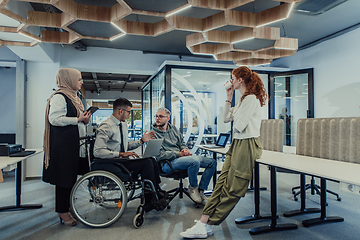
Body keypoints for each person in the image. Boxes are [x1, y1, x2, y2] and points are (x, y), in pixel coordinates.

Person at [180, 66, 267, 238]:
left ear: (240, 80)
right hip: (237, 144)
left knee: (233, 188)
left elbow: (240, 126)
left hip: (247, 144)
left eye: (233, 78)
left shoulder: (251, 99)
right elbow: (226, 118)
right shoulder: (242, 99)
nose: (231, 81)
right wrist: (229, 97)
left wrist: (237, 111)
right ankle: (204, 222)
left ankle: (209, 223)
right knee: (220, 185)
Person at [93, 97, 167, 212]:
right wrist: (121, 154)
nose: (129, 115)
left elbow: (125, 146)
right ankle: (150, 199)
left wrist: (141, 141)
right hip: (111, 163)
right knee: (146, 163)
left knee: (151, 160)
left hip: (121, 161)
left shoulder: (123, 125)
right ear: (121, 111)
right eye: (128, 112)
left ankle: (156, 190)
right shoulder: (106, 126)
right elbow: (98, 151)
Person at [43, 68, 92, 226]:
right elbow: (55, 119)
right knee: (63, 180)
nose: (81, 82)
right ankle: (62, 212)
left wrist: (84, 120)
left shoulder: (74, 97)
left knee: (70, 179)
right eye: (78, 79)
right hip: (63, 146)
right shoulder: (59, 97)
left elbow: (75, 119)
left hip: (73, 144)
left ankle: (68, 206)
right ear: (68, 80)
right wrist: (77, 119)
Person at [152, 108, 217, 205]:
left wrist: (184, 149)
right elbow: (159, 155)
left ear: (168, 118)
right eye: (156, 116)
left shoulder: (173, 129)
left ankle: (201, 190)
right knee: (194, 161)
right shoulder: (152, 134)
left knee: (212, 162)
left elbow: (182, 142)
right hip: (167, 163)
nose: (157, 118)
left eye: (160, 116)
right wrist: (179, 154)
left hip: (180, 158)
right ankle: (193, 188)